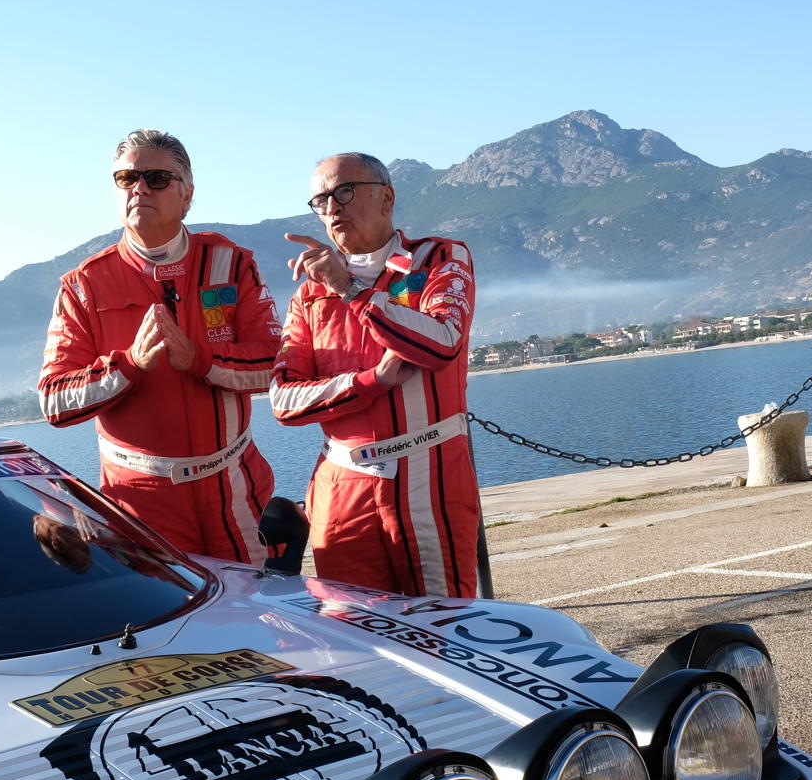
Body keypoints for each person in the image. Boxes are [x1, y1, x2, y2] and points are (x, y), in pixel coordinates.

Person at [38, 129, 280, 563]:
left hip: (236, 489)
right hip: (141, 504)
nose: (140, 189)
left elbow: (275, 365)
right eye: (126, 178)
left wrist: (199, 361)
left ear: (187, 195)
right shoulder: (84, 285)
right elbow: (54, 401)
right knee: (168, 628)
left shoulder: (231, 263)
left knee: (259, 621)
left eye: (157, 178)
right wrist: (129, 366)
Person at [270, 152, 480, 597]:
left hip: (431, 475)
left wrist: (349, 289)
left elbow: (442, 339)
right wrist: (369, 382)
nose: (332, 207)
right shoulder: (308, 294)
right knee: (354, 634)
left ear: (386, 198)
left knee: (441, 628)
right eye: (321, 199)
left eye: (344, 192)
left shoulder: (439, 257)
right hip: (343, 487)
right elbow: (283, 401)